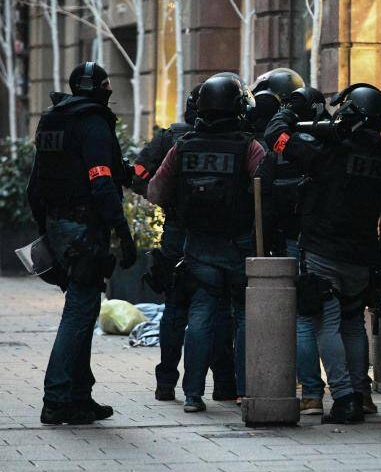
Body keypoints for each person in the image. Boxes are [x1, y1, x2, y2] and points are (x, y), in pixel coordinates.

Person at [264, 84, 381, 423]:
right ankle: (360, 393)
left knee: (324, 324)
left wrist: (288, 110)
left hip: (323, 253)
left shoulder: (328, 153)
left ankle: (343, 397)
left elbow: (277, 138)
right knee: (353, 323)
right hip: (363, 258)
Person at [146, 73, 266, 412]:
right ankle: (245, 391)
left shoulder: (183, 146)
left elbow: (154, 191)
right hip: (239, 245)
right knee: (243, 317)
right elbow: (265, 190)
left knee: (201, 316)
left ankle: (193, 395)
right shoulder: (249, 146)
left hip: (198, 247)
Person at [27, 62, 138, 425]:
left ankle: (78, 396)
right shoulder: (92, 122)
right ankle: (57, 398)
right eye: (106, 84)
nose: (109, 89)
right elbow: (102, 182)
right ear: (94, 87)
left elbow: (35, 181)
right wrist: (121, 230)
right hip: (84, 227)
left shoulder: (53, 119)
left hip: (59, 224)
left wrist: (46, 226)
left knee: (84, 307)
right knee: (80, 308)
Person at [132, 84, 237, 404]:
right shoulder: (234, 140)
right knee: (217, 312)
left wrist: (170, 202)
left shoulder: (172, 138)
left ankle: (166, 382)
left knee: (175, 309)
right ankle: (222, 384)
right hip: (217, 238)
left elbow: (137, 174)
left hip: (176, 234)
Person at [255, 84, 330, 415]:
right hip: (325, 241)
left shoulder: (286, 147)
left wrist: (268, 242)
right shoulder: (331, 143)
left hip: (290, 240)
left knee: (301, 317)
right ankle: (354, 391)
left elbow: (263, 193)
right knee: (340, 319)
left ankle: (312, 391)